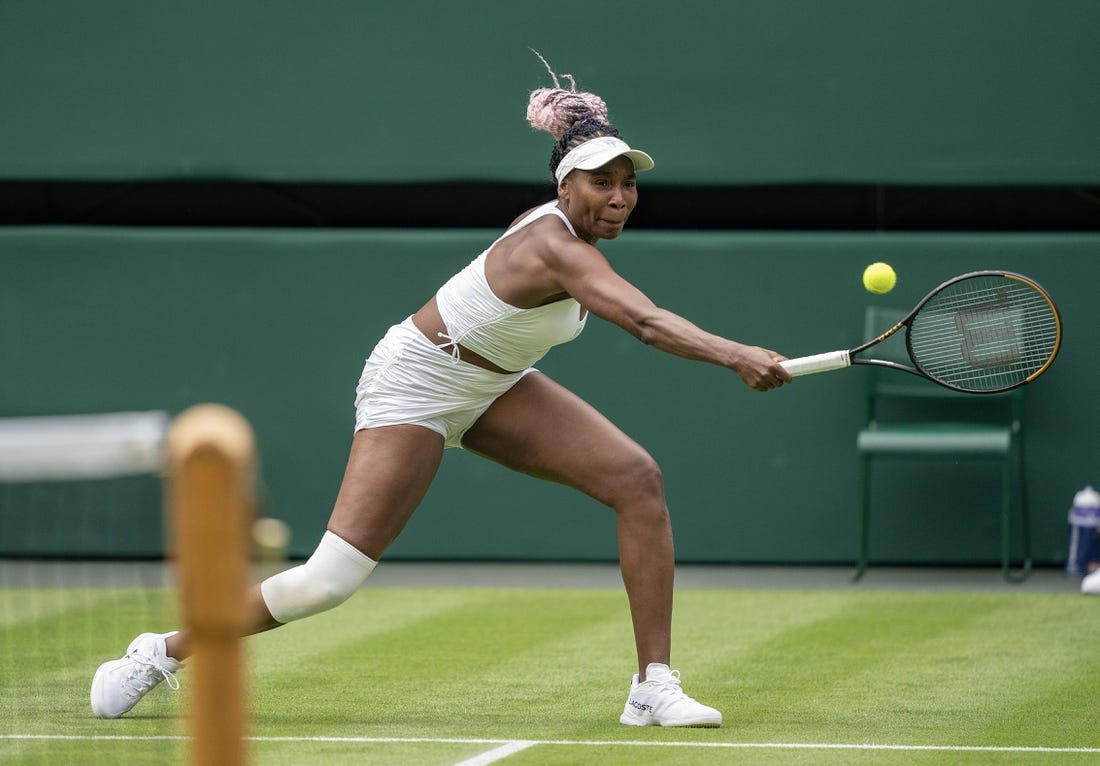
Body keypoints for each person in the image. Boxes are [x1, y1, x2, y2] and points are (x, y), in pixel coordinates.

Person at [90, 60, 792, 728]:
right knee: (329, 581)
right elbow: (643, 320)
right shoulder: (553, 246)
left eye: (627, 184)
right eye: (599, 182)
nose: (618, 197)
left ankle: (652, 688)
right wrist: (736, 356)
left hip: (493, 385)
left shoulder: (581, 245)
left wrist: (735, 355)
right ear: (564, 187)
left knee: (637, 480)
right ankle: (162, 651)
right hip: (417, 382)